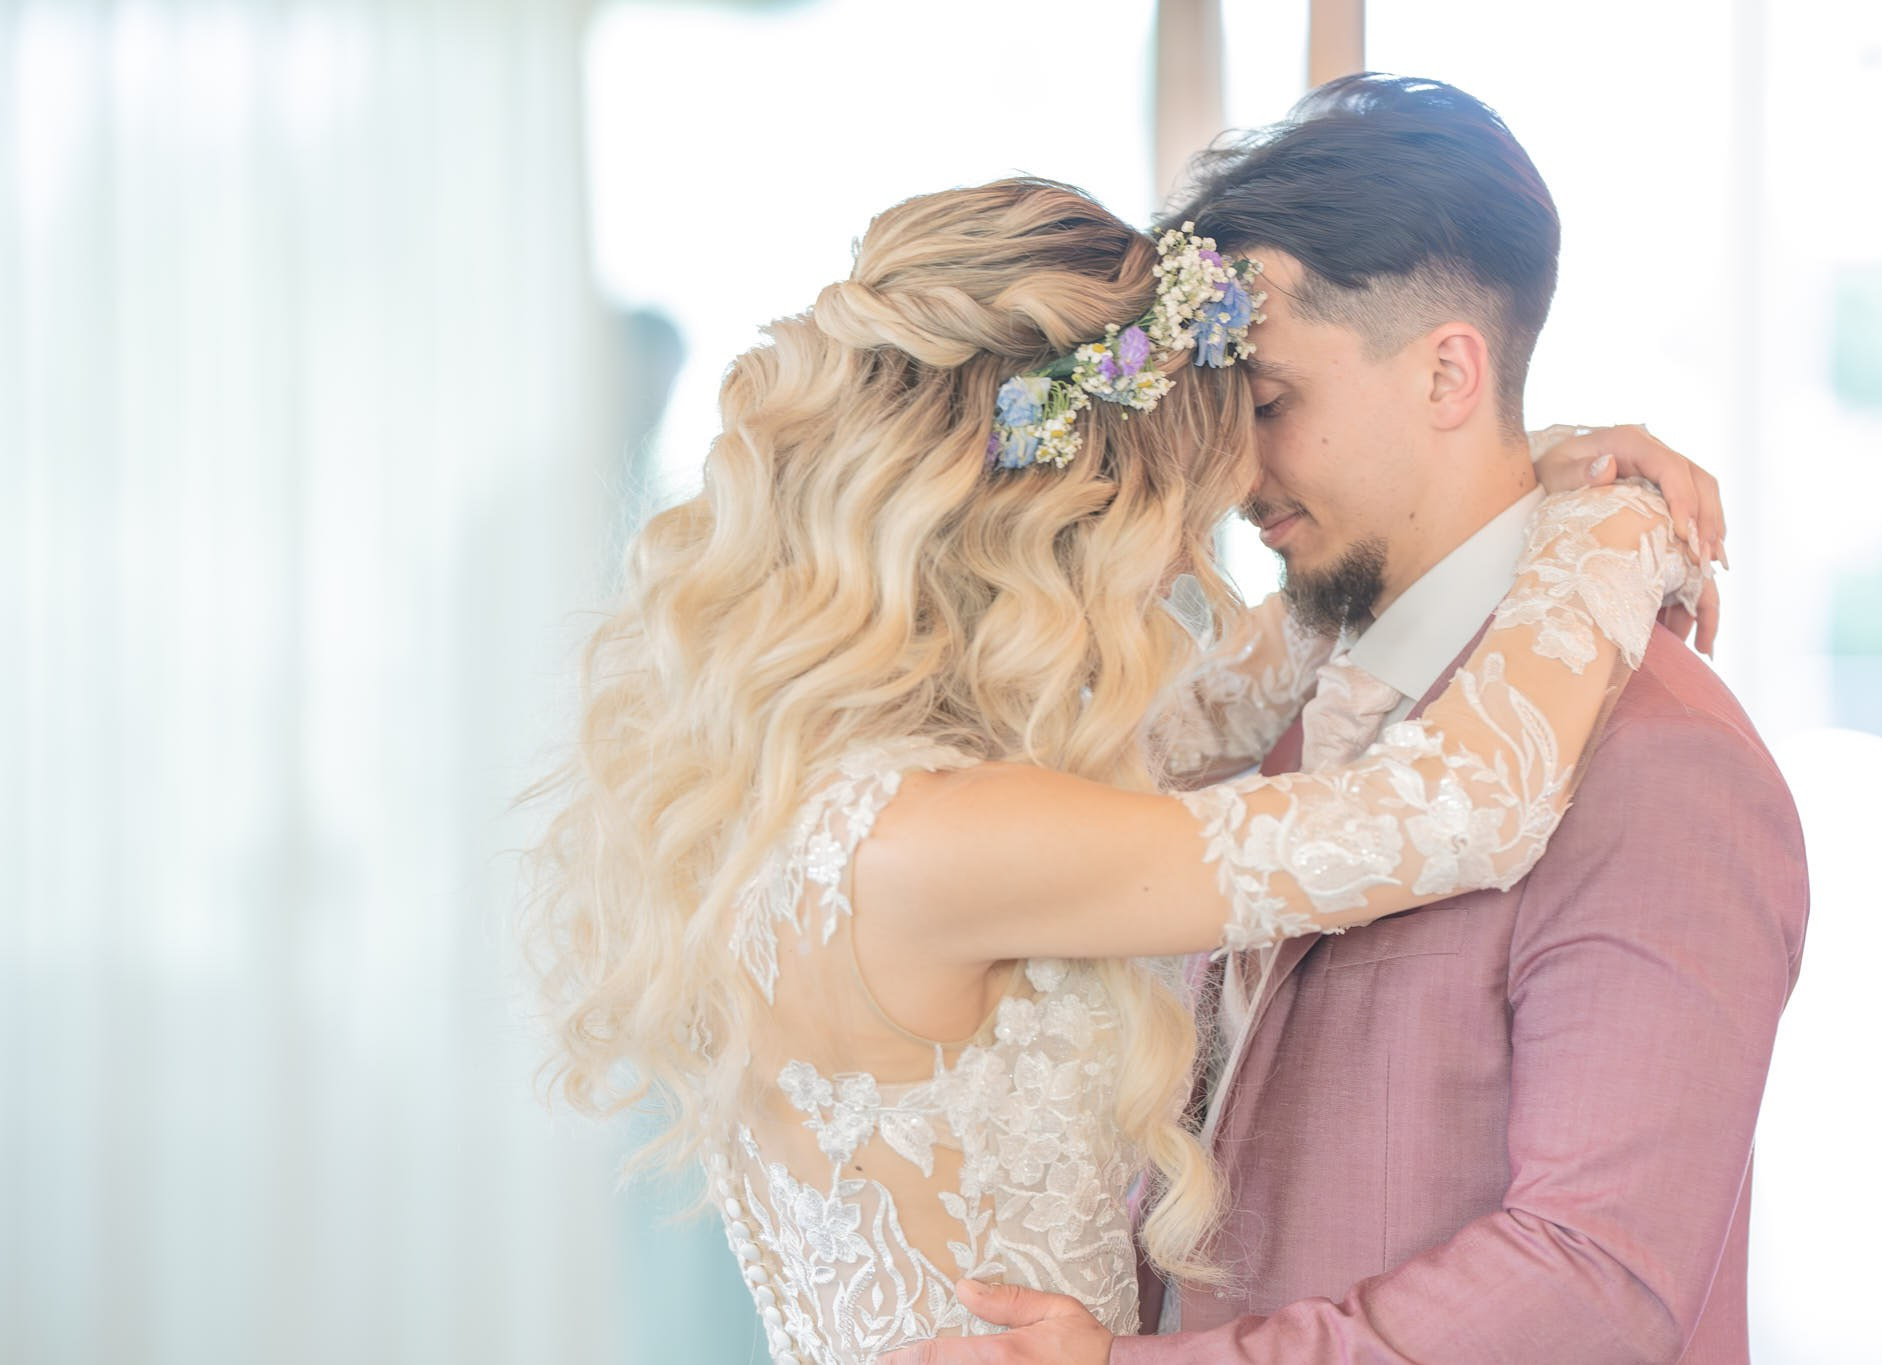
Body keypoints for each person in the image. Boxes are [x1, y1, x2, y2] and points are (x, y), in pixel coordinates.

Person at [527, 175, 1705, 1365]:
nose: (1194, 564)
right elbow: (1461, 806)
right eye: (1178, 519)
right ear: (1067, 515)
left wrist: (1509, 479)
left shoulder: (837, 786)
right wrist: (1616, 523)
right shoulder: (950, 836)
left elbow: (1249, 685)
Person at [890, 76, 1808, 1365]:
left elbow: (1595, 1288)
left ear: (1446, 372)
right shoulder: (1283, 702)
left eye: (1267, 404)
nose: (1231, 471)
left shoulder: (1662, 766)